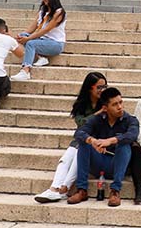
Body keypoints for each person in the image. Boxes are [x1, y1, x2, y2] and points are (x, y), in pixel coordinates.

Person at [35, 71, 108, 203]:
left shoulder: (107, 103)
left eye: (104, 87)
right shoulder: (82, 104)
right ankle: (54, 188)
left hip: (96, 144)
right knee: (65, 159)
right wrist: (97, 113)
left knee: (78, 156)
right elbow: (81, 123)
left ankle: (64, 189)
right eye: (99, 87)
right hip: (81, 139)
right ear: (90, 88)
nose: (102, 90)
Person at [69, 86, 141, 206]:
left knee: (124, 145)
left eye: (120, 102)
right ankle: (82, 190)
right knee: (83, 143)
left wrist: (111, 141)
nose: (120, 107)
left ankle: (115, 191)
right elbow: (78, 133)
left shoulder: (130, 120)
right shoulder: (97, 119)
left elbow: (132, 135)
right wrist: (92, 141)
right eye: (114, 104)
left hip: (117, 163)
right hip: (99, 161)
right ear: (105, 108)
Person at [12, 0, 67, 81]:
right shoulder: (42, 12)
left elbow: (46, 30)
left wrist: (28, 39)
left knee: (30, 43)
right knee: (24, 36)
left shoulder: (59, 12)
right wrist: (22, 35)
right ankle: (41, 57)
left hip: (55, 43)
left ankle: (26, 70)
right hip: (42, 40)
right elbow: (32, 28)